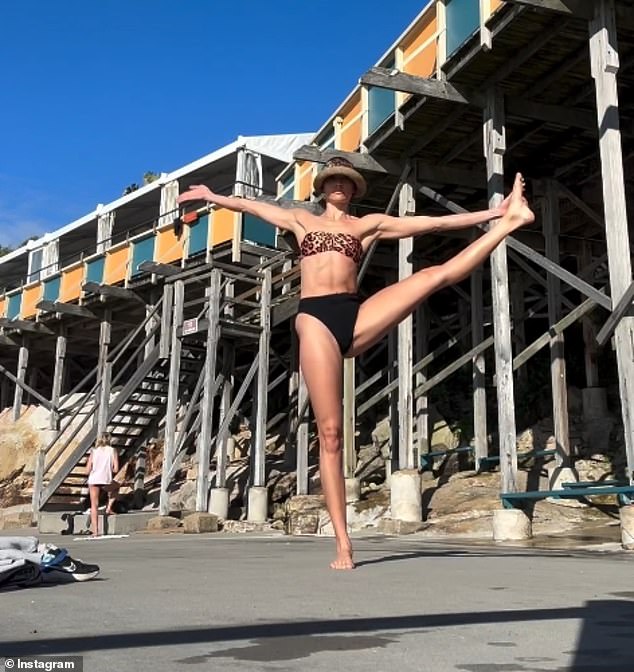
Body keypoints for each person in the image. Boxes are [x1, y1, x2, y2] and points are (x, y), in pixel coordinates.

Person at [177, 157, 535, 570]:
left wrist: (496, 211)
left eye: (346, 181)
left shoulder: (367, 225)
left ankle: (510, 224)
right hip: (315, 317)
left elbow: (433, 224)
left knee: (433, 276)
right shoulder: (300, 220)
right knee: (330, 433)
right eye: (332, 180)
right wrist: (213, 197)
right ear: (323, 187)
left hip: (354, 313)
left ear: (353, 189)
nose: (339, 186)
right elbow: (252, 207)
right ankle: (343, 543)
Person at [86, 432, 120, 536]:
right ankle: (109, 507)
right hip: (105, 479)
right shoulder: (112, 451)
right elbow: (116, 469)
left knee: (94, 505)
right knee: (116, 487)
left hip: (94, 479)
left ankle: (96, 531)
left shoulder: (94, 451)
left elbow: (87, 470)